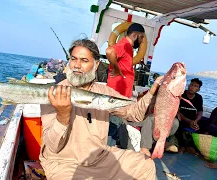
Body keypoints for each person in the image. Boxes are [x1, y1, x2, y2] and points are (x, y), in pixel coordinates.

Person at [39, 39, 161, 179]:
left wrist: (153, 91)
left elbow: (134, 113)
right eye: (73, 59)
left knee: (145, 165)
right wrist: (62, 115)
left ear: (96, 65)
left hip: (100, 158)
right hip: (64, 163)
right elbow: (52, 146)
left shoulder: (104, 92)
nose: (77, 65)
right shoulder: (54, 93)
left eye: (84, 60)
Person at [106, 23, 145, 98]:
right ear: (134, 35)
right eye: (141, 37)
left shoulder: (129, 47)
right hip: (116, 96)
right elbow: (109, 51)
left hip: (121, 96)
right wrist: (116, 69)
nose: (142, 40)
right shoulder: (125, 45)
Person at [175, 78, 206, 154]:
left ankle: (193, 147)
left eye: (195, 86)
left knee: (206, 125)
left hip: (193, 119)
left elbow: (200, 111)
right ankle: (183, 146)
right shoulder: (181, 95)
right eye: (191, 85)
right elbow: (177, 111)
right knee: (177, 123)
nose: (192, 87)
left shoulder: (199, 98)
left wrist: (196, 121)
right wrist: (189, 121)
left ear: (198, 89)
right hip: (182, 118)